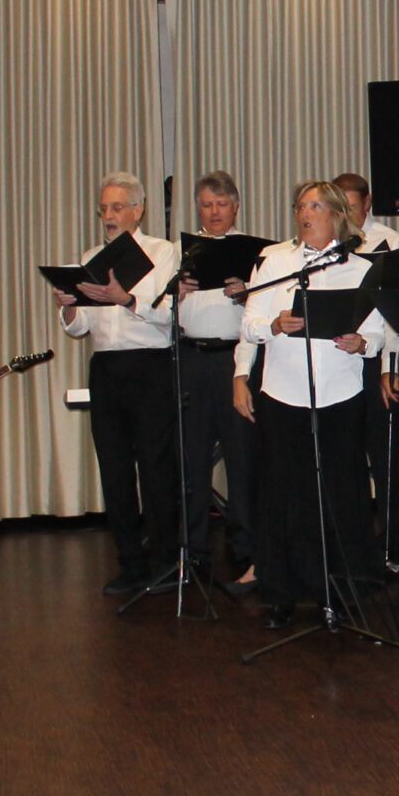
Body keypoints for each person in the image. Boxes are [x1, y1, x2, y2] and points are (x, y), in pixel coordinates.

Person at [239, 180, 386, 631]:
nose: (307, 212)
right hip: (283, 393)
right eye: (301, 205)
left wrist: (363, 342)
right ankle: (281, 592)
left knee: (340, 492)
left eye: (317, 205)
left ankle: (340, 589)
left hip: (339, 394)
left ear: (338, 214)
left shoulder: (360, 268)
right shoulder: (275, 263)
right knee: (284, 494)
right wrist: (275, 325)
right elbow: (248, 324)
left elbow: (380, 332)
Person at [53, 171, 181, 596]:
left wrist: (124, 298)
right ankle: (130, 562)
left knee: (156, 467)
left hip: (151, 366)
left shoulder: (162, 253)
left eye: (116, 207)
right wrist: (70, 309)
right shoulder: (92, 255)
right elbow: (79, 329)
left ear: (138, 209)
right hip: (106, 369)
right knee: (114, 469)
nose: (108, 215)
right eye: (103, 208)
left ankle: (165, 561)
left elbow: (168, 314)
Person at [175, 171, 262, 585]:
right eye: (207, 204)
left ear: (236, 206)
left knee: (242, 458)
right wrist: (175, 295)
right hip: (191, 358)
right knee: (191, 461)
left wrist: (247, 292)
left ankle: (247, 550)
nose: (214, 212)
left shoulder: (258, 256)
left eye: (221, 204)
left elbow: (265, 315)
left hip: (235, 362)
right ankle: (191, 553)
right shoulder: (180, 254)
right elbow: (156, 315)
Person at [333, 171, 399, 574]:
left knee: (383, 458)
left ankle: (390, 545)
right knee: (345, 455)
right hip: (340, 360)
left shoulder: (392, 244)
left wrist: (388, 366)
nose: (346, 211)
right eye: (338, 204)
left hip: (377, 362)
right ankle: (354, 543)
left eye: (351, 203)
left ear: (367, 202)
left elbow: (396, 314)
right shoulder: (330, 248)